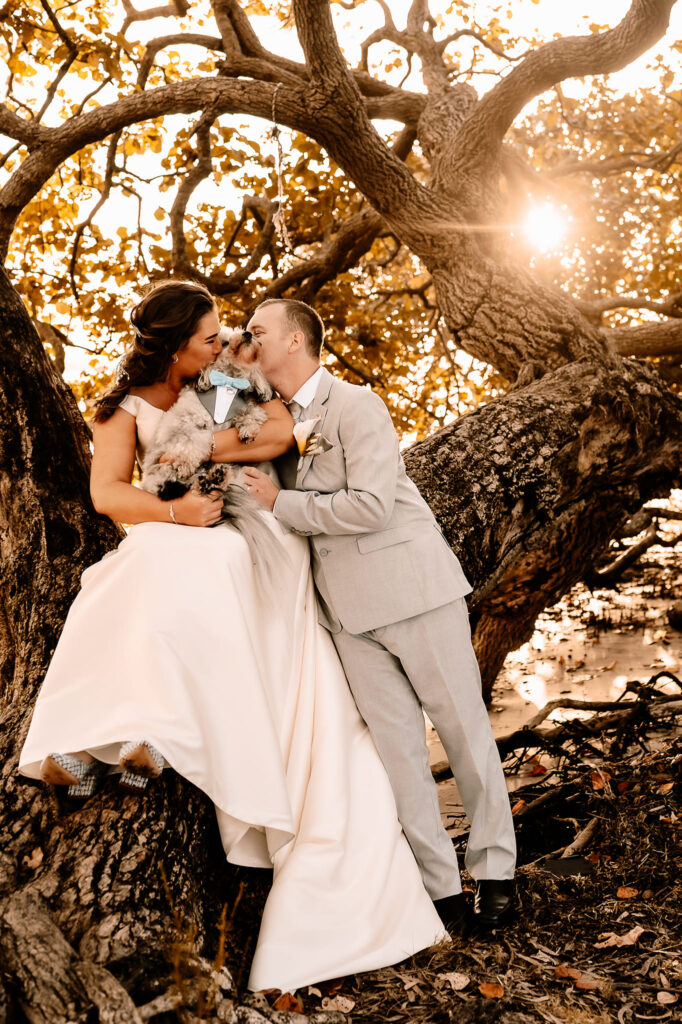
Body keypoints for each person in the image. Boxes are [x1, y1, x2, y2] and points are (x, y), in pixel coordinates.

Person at [18, 279, 448, 994]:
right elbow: (107, 496)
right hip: (178, 529)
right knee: (127, 574)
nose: (226, 346)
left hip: (252, 538)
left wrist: (194, 450)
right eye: (212, 337)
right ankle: (107, 736)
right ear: (174, 342)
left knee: (201, 563)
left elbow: (279, 433)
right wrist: (175, 508)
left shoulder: (223, 384)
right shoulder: (118, 409)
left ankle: (170, 725)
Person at [241, 298, 518, 933]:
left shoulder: (358, 405)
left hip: (414, 591)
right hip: (346, 616)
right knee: (399, 757)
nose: (247, 340)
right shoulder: (268, 424)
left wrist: (282, 502)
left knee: (465, 736)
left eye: (258, 331)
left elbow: (368, 505)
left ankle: (497, 874)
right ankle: (441, 892)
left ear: (296, 340)